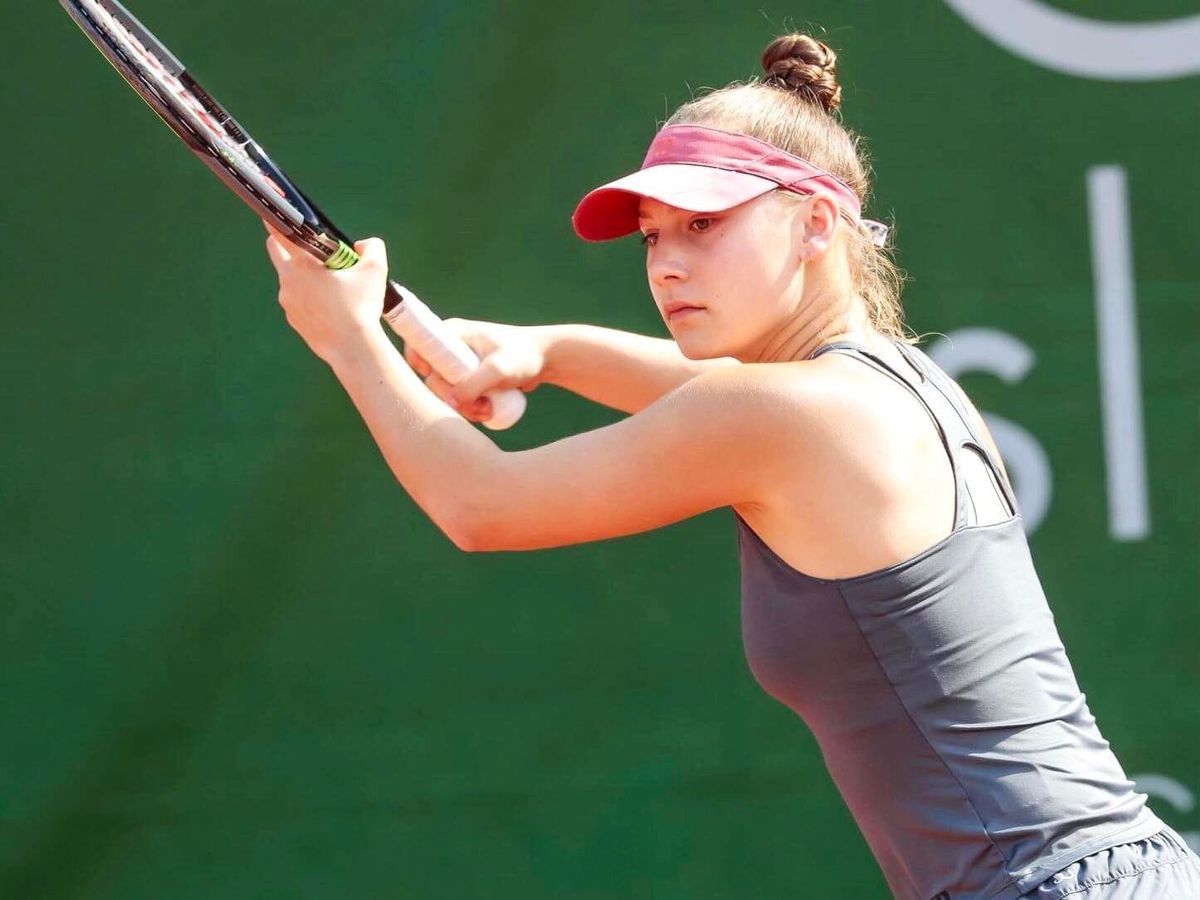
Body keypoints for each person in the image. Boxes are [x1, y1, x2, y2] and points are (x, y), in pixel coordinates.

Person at [263, 32, 1200, 900]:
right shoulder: (900, 384)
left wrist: (349, 340)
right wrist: (543, 349)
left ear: (817, 226)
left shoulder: (773, 413)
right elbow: (696, 389)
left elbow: (482, 505)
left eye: (703, 228)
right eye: (653, 237)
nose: (666, 265)